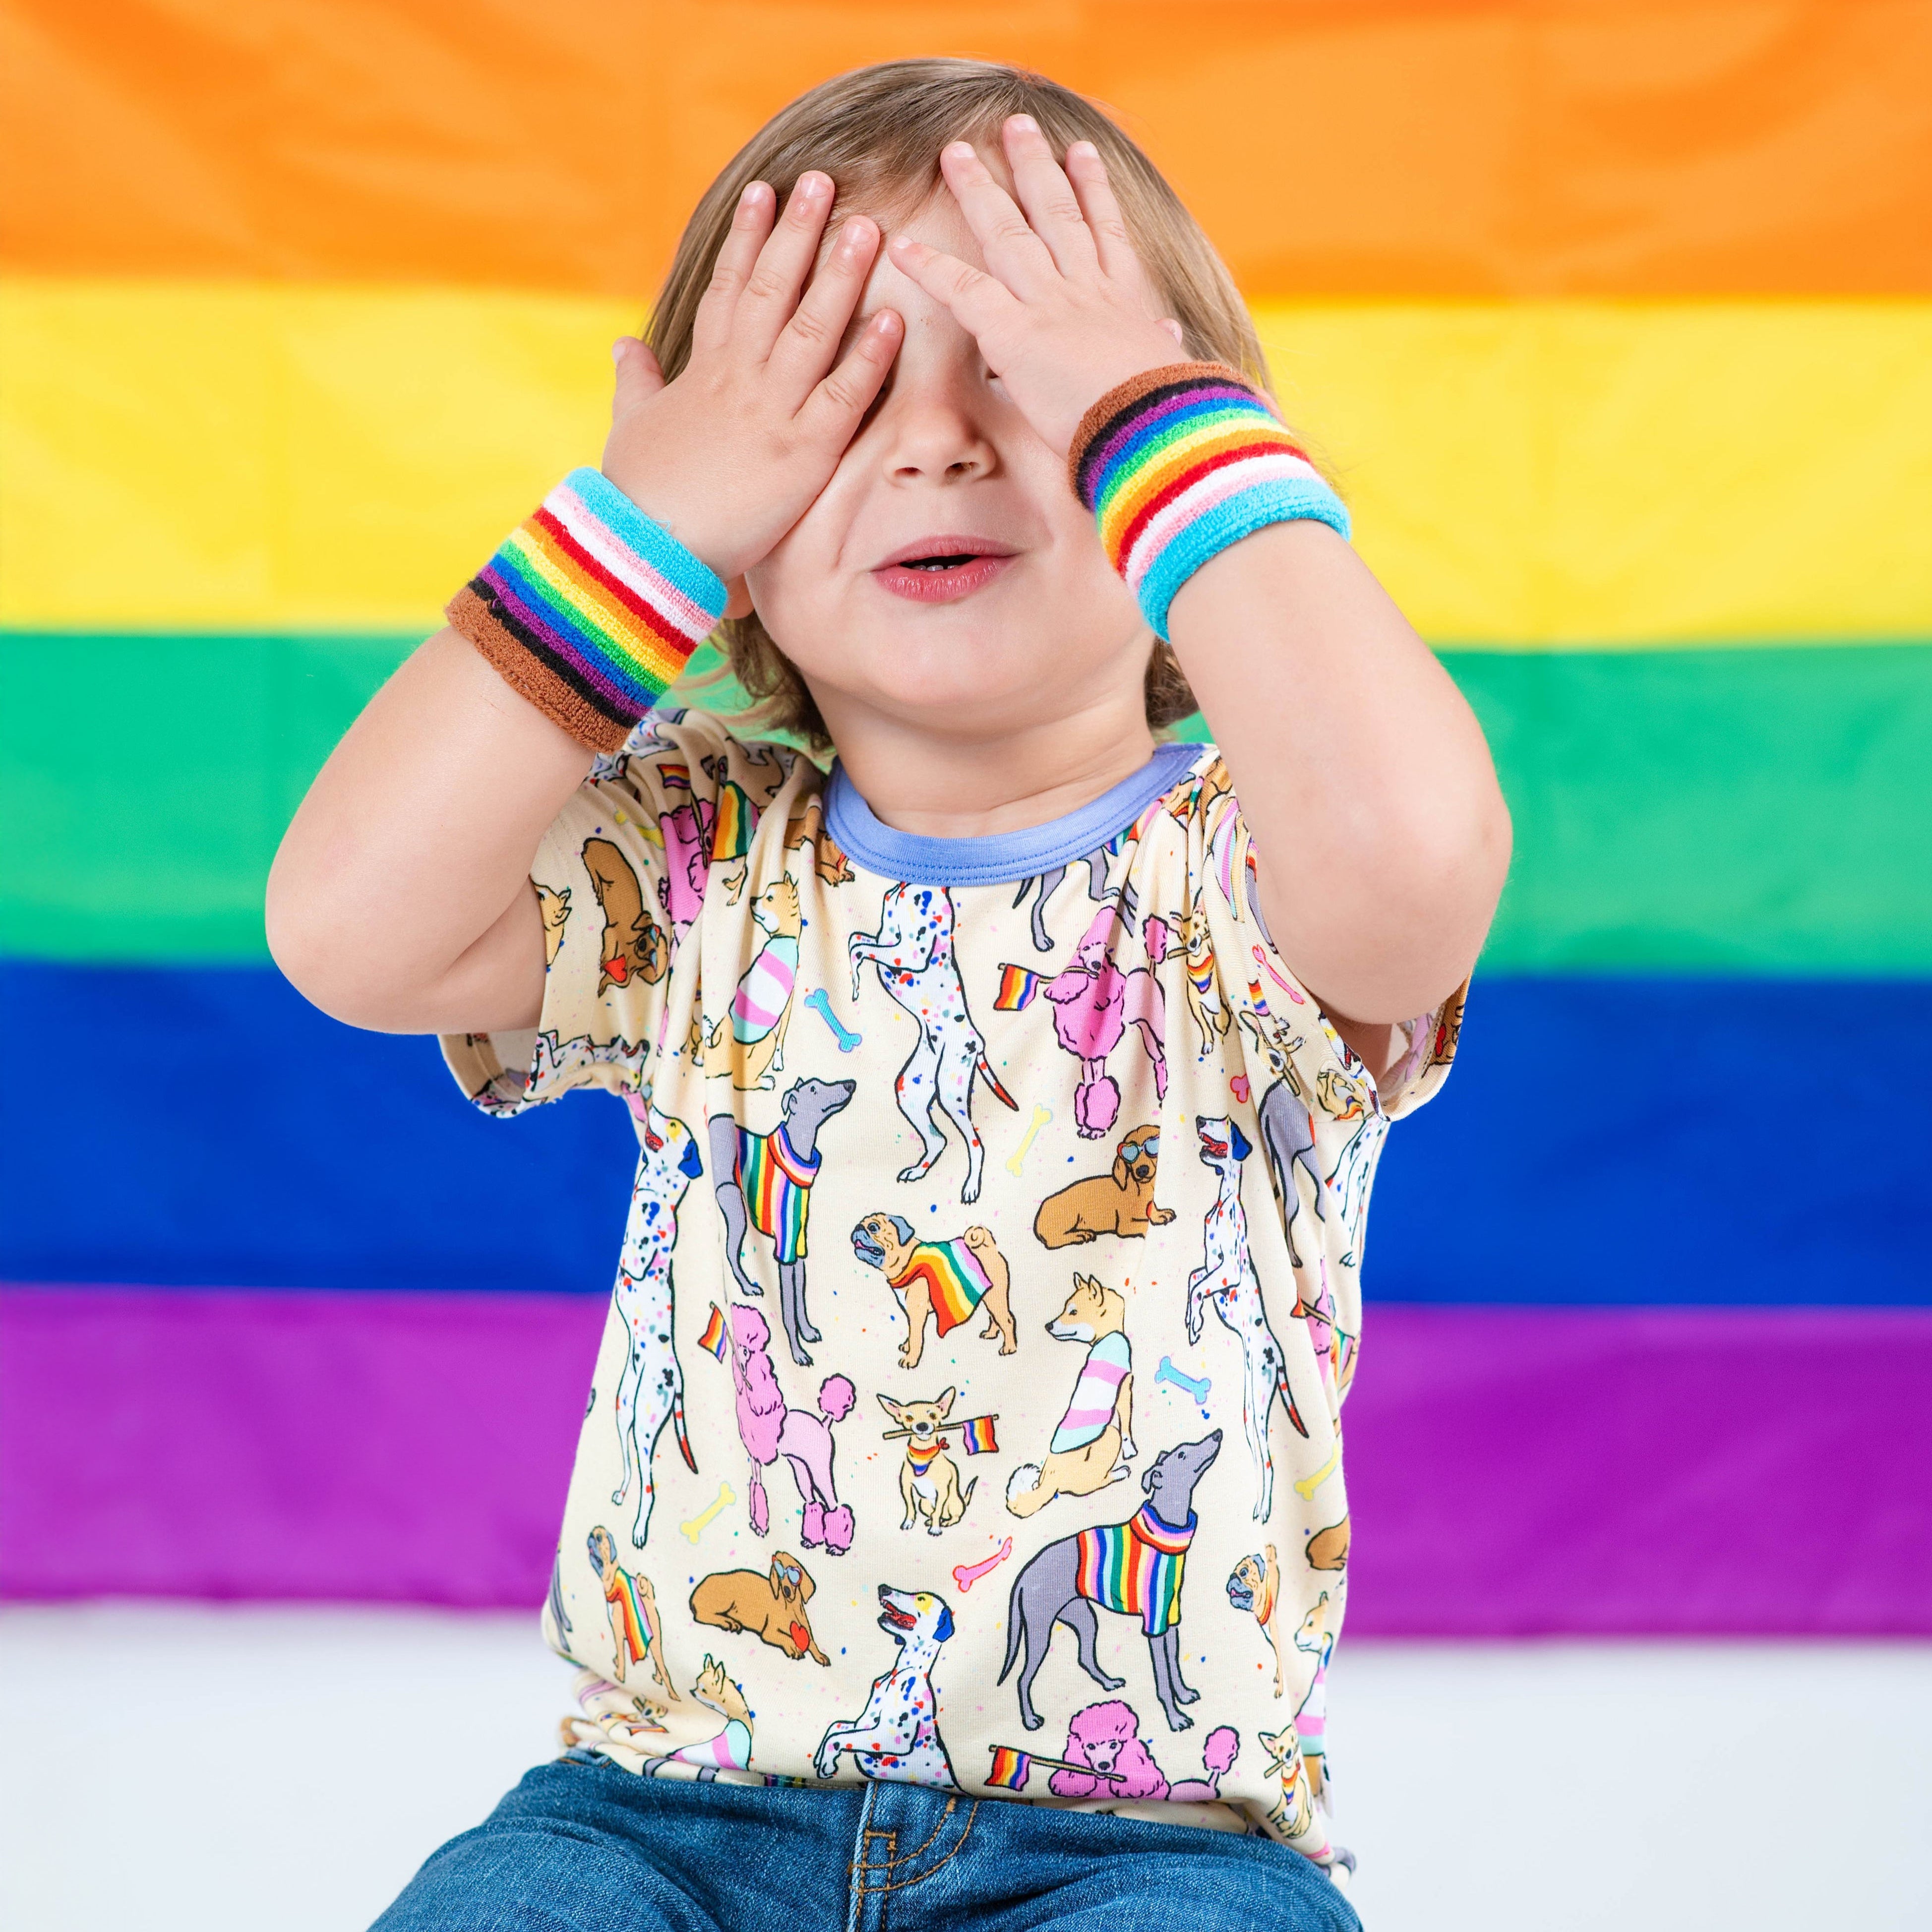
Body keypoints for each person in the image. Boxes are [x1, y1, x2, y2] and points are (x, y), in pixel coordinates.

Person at [268, 56, 1509, 1932]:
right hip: (661, 1815)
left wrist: (1158, 417)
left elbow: (1418, 865)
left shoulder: (1256, 875)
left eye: (1023, 378)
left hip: (1151, 1851)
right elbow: (346, 929)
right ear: (734, 529)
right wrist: (642, 517)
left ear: (1178, 460)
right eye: (843, 393)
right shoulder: (694, 864)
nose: (937, 444)